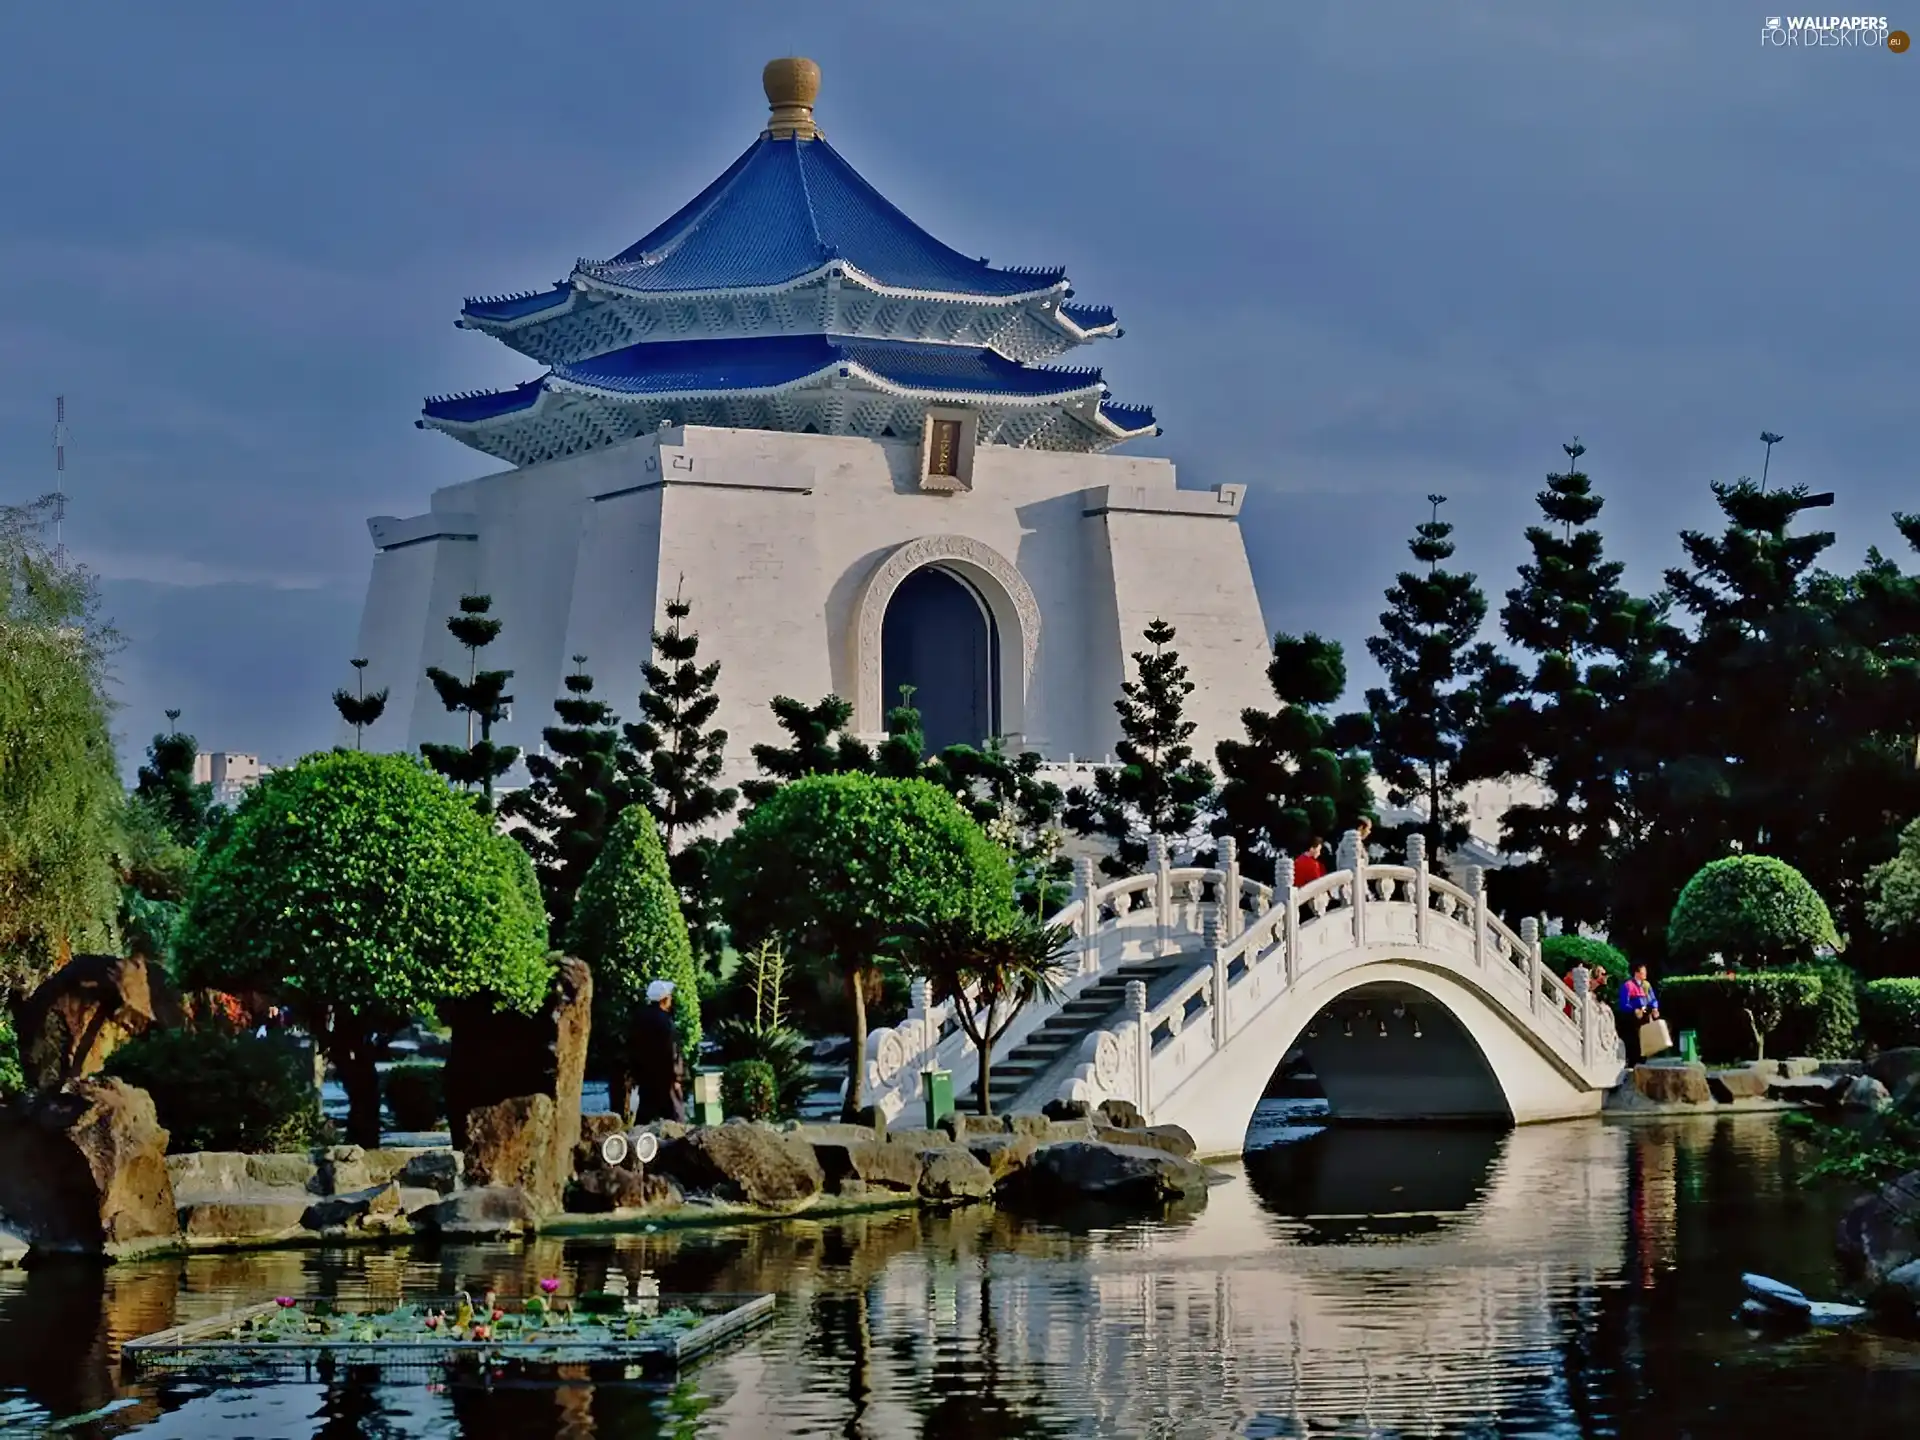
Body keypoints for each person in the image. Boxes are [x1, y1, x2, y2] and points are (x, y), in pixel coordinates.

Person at [632, 978, 687, 1123]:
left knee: (644, 1117)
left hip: (646, 1077)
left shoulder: (640, 1019)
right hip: (666, 1079)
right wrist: (677, 1076)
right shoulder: (665, 1022)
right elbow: (672, 1051)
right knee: (676, 1118)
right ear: (664, 999)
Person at [1617, 963, 1659, 1065]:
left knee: (1644, 1040)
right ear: (1636, 973)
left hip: (1644, 1016)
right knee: (1634, 1041)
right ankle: (1633, 1061)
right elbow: (1624, 1004)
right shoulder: (1628, 985)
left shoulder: (1646, 985)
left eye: (1645, 972)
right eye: (1642, 972)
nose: (1645, 974)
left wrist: (1655, 1008)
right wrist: (1634, 1010)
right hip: (1632, 1018)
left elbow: (1652, 999)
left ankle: (1643, 1060)